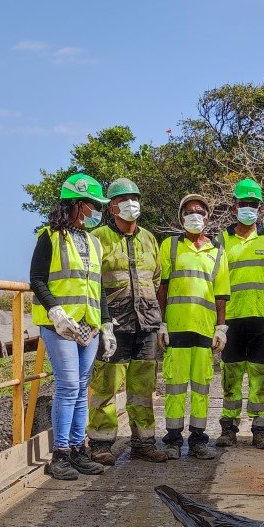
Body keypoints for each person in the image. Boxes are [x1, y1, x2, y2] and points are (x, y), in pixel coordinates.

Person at [30, 172, 116, 480]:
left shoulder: (93, 242)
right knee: (67, 387)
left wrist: (105, 324)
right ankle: (61, 455)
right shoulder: (49, 237)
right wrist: (54, 310)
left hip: (88, 326)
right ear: (76, 204)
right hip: (61, 326)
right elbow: (37, 279)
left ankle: (79, 450)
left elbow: (98, 287)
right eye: (92, 204)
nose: (96, 211)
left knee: (81, 390)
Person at [85, 178, 168, 463]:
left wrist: (159, 321)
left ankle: (144, 443)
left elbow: (156, 279)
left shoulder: (149, 239)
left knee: (143, 388)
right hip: (113, 326)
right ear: (112, 208)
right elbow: (91, 282)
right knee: (106, 386)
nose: (131, 203)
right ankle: (100, 442)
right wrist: (102, 321)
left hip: (146, 325)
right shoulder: (97, 239)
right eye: (123, 199)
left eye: (134, 197)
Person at [216, 178, 264, 450]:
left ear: (260, 207)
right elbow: (216, 282)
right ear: (235, 205)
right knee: (230, 374)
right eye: (244, 203)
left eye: (253, 204)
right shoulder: (222, 240)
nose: (249, 208)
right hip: (232, 319)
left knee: (261, 373)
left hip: (262, 318)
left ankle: (260, 428)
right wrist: (219, 323)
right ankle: (228, 427)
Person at [158, 193, 230, 459]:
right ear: (181, 217)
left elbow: (221, 294)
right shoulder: (170, 246)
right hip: (176, 328)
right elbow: (162, 287)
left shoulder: (217, 251)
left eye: (200, 211)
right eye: (189, 211)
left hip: (204, 329)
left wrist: (221, 328)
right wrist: (161, 323)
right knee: (175, 387)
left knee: (201, 388)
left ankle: (198, 440)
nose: (195, 216)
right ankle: (173, 440)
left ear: (208, 217)